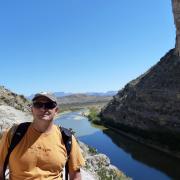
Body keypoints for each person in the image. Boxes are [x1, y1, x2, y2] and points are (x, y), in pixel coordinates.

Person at [0, 92, 85, 180]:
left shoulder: (66, 138)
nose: (43, 108)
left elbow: (75, 175)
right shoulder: (13, 134)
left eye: (49, 105)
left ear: (56, 111)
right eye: (38, 104)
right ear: (32, 109)